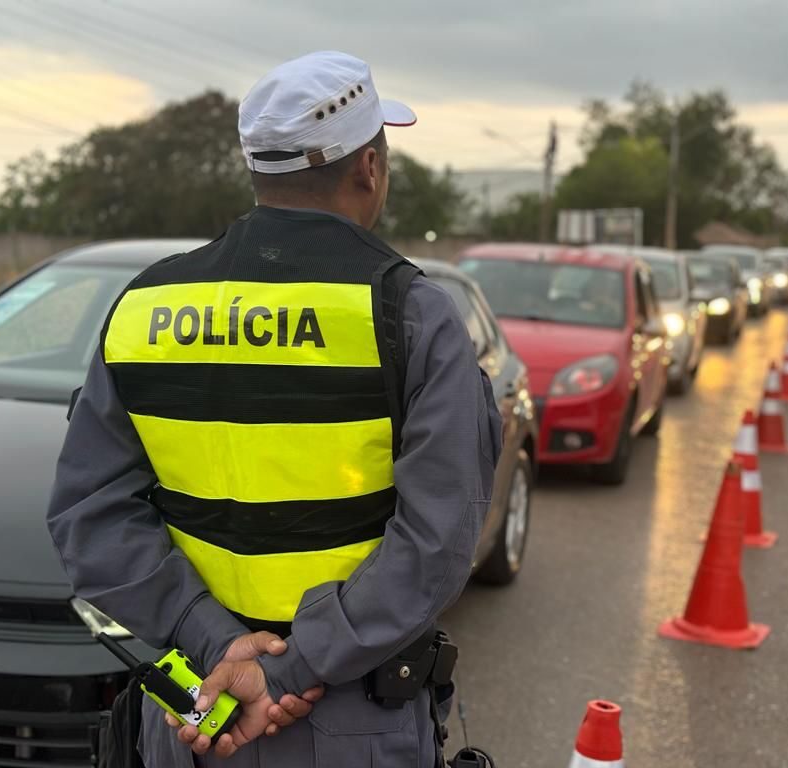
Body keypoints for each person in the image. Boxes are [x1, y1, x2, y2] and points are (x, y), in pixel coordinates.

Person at [47, 51, 501, 767]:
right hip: (347, 716)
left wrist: (212, 640)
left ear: (258, 170)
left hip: (194, 713)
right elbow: (437, 540)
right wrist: (287, 666)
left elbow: (89, 515)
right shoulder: (409, 314)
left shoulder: (144, 307)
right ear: (370, 167)